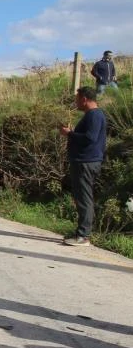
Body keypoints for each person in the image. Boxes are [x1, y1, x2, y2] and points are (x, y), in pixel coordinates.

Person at [59, 87, 107, 246]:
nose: (76, 102)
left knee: (84, 198)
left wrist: (69, 134)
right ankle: (81, 232)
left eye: (77, 99)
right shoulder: (93, 115)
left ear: (85, 99)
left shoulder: (94, 115)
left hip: (86, 162)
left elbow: (90, 138)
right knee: (82, 197)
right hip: (85, 161)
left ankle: (83, 236)